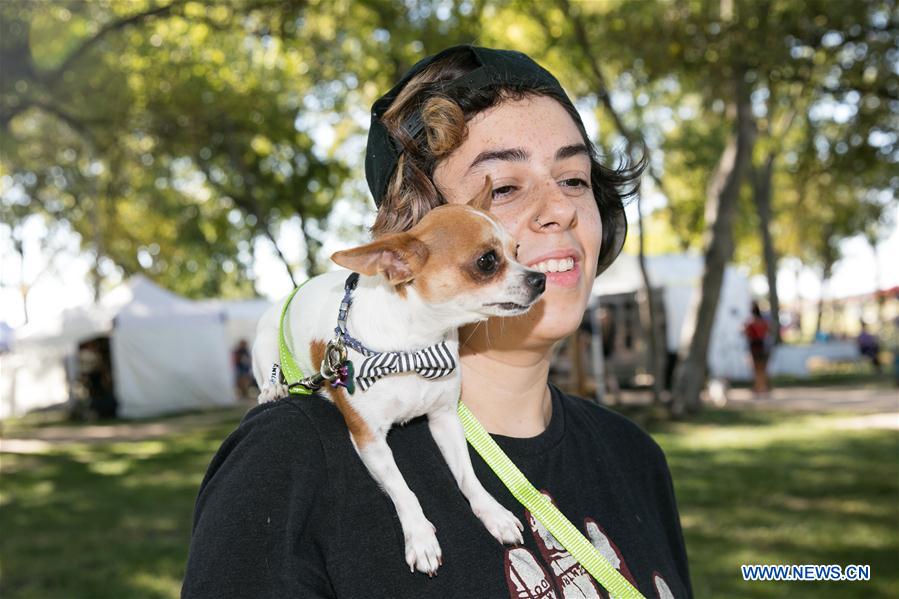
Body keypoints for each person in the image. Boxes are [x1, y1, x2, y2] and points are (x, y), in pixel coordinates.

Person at [182, 45, 693, 598]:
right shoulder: (289, 461)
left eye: (573, 178)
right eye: (503, 187)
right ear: (406, 249)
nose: (561, 208)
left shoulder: (635, 457)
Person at [743, 301, 771, 398]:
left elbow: (746, 333)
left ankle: (758, 387)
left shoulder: (751, 322)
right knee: (762, 368)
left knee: (756, 369)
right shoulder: (763, 322)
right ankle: (762, 386)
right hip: (762, 346)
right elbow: (767, 332)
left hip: (754, 346)